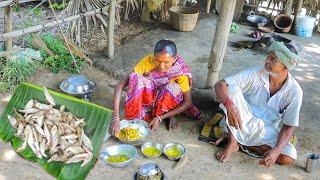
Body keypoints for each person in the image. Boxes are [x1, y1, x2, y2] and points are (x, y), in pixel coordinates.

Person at [213, 41, 303, 166]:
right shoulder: (255, 73)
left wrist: (276, 150)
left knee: (288, 156)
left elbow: (289, 126)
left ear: (286, 66)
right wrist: (229, 105)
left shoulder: (295, 92)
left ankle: (240, 142)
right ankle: (233, 141)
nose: (267, 60)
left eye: (273, 59)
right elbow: (220, 85)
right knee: (231, 88)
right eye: (269, 56)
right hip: (240, 121)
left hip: (266, 130)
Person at [109, 40, 201, 136]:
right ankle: (142, 115)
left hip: (167, 99)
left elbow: (187, 102)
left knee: (173, 88)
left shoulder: (180, 71)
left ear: (174, 59)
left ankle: (170, 115)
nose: (161, 66)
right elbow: (120, 85)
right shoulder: (148, 61)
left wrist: (160, 118)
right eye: (158, 60)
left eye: (166, 62)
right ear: (154, 57)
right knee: (135, 79)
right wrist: (116, 118)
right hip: (151, 95)